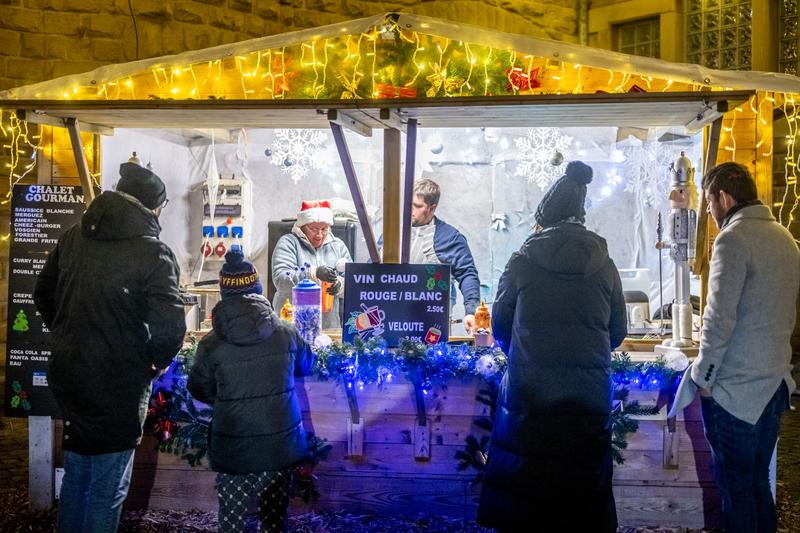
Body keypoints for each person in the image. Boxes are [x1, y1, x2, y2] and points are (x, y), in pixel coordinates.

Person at [34, 161, 186, 533]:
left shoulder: (73, 236)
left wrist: (69, 333)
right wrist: (154, 362)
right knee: (107, 485)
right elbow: (170, 326)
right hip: (118, 380)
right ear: (153, 207)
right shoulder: (153, 252)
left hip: (70, 372)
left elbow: (42, 293)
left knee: (78, 474)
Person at [477, 161, 627, 532]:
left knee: (527, 492)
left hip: (532, 394)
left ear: (544, 217)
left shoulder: (522, 261)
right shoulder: (604, 263)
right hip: (588, 396)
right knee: (582, 493)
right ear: (580, 214)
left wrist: (527, 353)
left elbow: (499, 325)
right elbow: (618, 331)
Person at [669, 162, 799, 533]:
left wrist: (705, 376)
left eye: (709, 205)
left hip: (737, 391)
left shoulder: (733, 239)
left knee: (735, 492)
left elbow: (718, 318)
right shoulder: (784, 237)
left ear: (724, 198)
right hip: (774, 384)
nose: (710, 215)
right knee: (758, 485)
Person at [188, 249, 315, 533]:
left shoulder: (210, 343)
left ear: (223, 293)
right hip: (279, 449)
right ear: (257, 288)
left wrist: (227, 398)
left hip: (233, 449)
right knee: (273, 521)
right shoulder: (286, 332)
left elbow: (198, 388)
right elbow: (307, 365)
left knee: (231, 523)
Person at [408, 178, 481, 333]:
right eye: (408, 204)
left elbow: (467, 273)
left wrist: (471, 311)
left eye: (417, 206)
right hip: (393, 317)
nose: (410, 210)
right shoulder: (392, 234)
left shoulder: (450, 238)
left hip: (432, 323)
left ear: (432, 208)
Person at [271, 199, 352, 329]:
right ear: (302, 226)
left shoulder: (338, 246)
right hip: (291, 326)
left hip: (328, 328)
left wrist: (340, 285)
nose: (319, 235)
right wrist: (313, 273)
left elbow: (353, 282)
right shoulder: (288, 243)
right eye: (314, 229)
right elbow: (281, 280)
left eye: (324, 229)